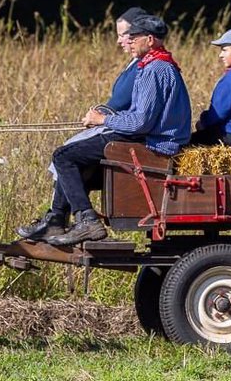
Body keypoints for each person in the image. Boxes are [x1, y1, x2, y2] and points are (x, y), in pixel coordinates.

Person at [18, 14, 191, 247]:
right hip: (147, 137)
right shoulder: (156, 65)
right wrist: (109, 117)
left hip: (151, 143)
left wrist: (104, 120)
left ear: (150, 40)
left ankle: (85, 220)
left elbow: (141, 122)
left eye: (134, 38)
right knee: (74, 155)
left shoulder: (155, 69)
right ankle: (57, 220)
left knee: (64, 156)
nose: (128, 42)